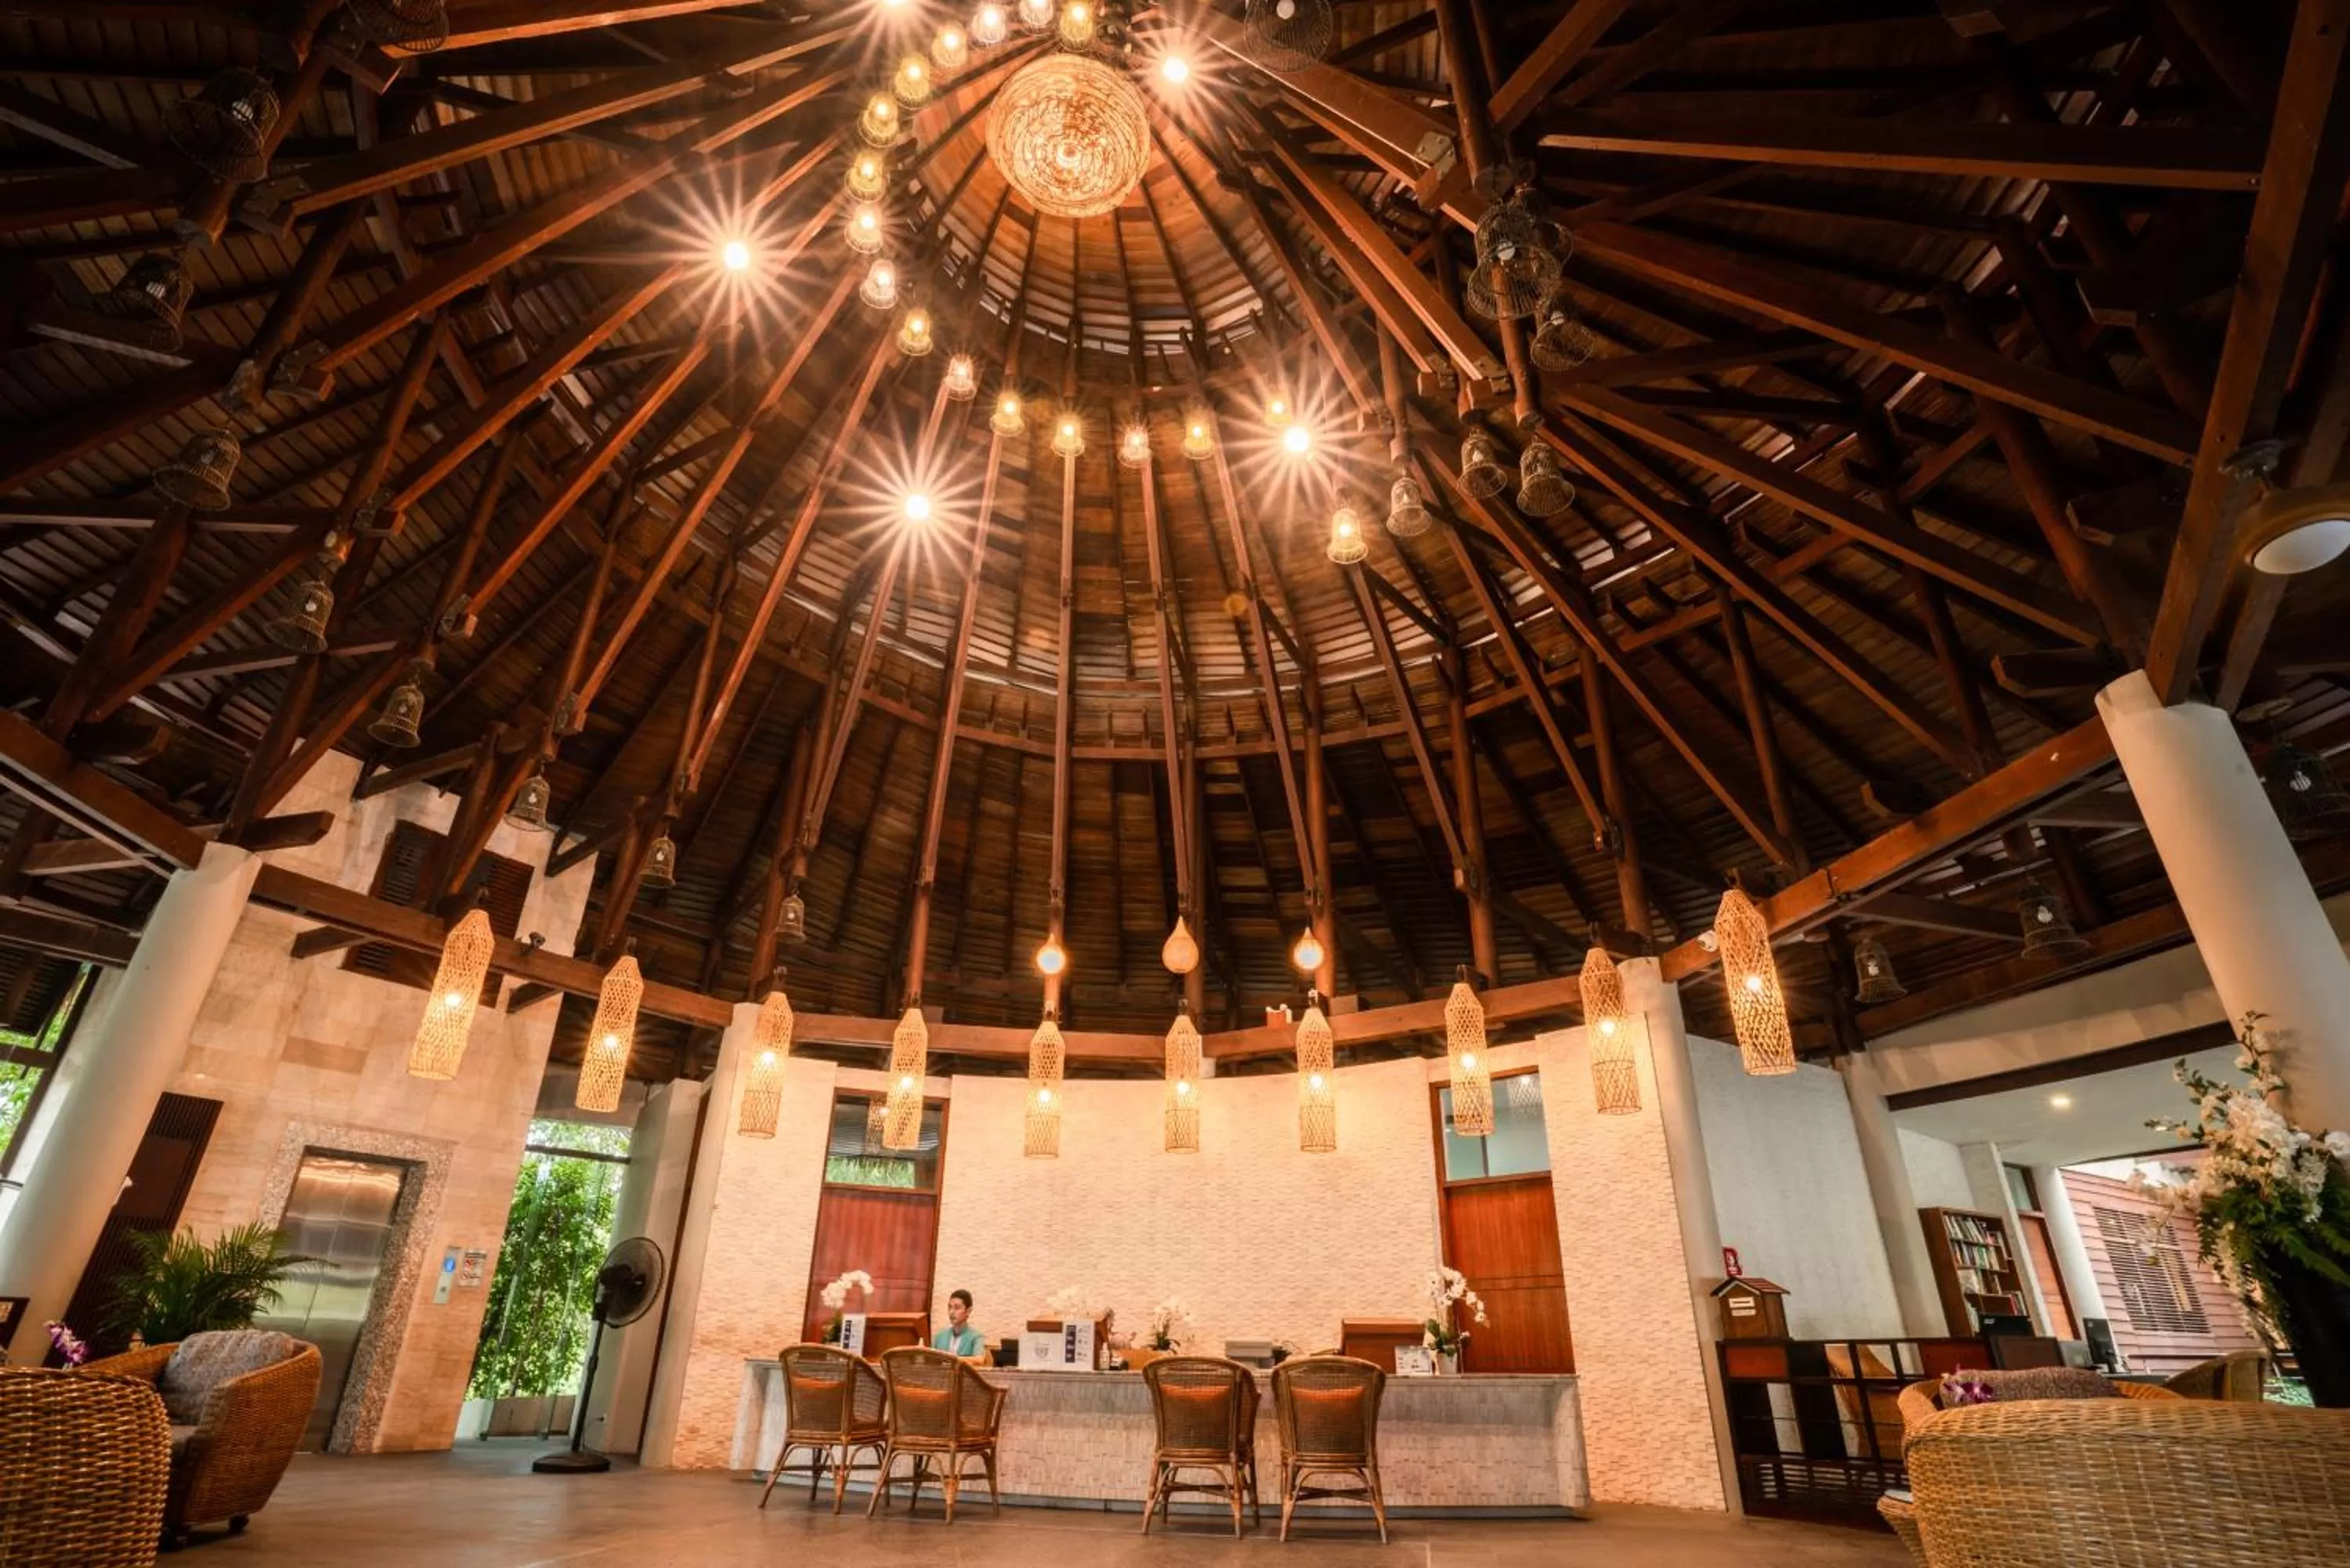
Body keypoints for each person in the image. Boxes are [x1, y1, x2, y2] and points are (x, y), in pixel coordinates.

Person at [931, 1288, 987, 1364]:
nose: (951, 1312)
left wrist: (952, 1359)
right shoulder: (940, 1335)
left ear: (968, 1311)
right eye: (950, 1307)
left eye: (957, 1308)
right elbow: (931, 1360)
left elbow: (979, 1360)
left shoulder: (976, 1336)